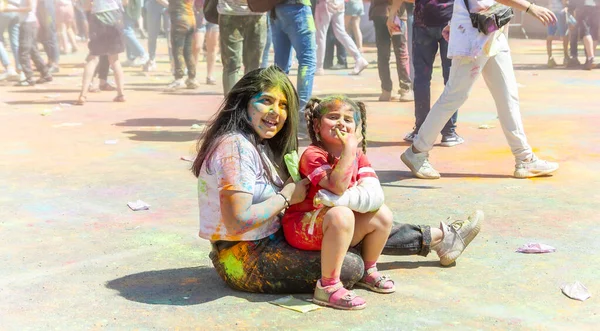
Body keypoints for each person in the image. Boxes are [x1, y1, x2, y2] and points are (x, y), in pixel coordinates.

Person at [193, 66, 483, 297]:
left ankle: (441, 238)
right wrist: (286, 197)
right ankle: (435, 240)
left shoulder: (256, 142)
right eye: (266, 100)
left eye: (283, 104)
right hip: (244, 260)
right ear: (243, 103)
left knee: (364, 220)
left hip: (271, 236)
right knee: (349, 264)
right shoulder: (234, 148)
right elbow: (237, 222)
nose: (276, 112)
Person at [400, 0, 560, 179]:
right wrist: (530, 8)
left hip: (492, 30)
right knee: (454, 96)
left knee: (507, 95)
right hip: (473, 35)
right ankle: (417, 151)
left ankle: (524, 158)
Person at [281, 95, 397, 310]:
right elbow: (337, 187)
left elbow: (374, 193)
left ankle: (368, 270)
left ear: (357, 127)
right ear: (316, 125)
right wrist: (350, 150)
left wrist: (352, 151)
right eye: (333, 117)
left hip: (334, 226)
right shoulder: (313, 154)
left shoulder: (358, 156)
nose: (341, 123)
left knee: (382, 214)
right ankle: (328, 286)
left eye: (348, 119)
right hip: (303, 228)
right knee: (341, 213)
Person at [390, 0, 463, 146]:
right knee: (451, 78)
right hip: (451, 21)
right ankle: (449, 132)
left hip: (423, 22)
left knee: (422, 78)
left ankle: (420, 129)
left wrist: (392, 13)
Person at [75, 0, 126, 104]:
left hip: (98, 18)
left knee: (92, 59)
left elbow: (87, 5)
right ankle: (121, 94)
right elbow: (125, 2)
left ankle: (83, 95)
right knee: (115, 60)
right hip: (115, 17)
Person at [271, 0, 316, 111]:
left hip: (276, 9)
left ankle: (277, 105)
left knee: (281, 64)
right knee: (307, 60)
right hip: (298, 8)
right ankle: (302, 112)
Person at [216, 0, 265, 94]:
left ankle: (249, 103)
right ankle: (232, 105)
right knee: (232, 64)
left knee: (253, 64)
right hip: (230, 13)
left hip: (257, 12)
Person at [1, 0, 53, 86]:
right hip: (29, 23)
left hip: (27, 23)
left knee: (23, 52)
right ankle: (45, 73)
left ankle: (29, 77)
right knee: (33, 51)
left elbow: (29, 8)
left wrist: (11, 10)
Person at [370, 0, 412, 102]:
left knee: (383, 54)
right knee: (401, 52)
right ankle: (405, 89)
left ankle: (386, 90)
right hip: (397, 15)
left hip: (380, 13)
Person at [314, 0, 369, 75]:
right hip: (339, 3)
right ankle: (359, 58)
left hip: (325, 3)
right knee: (341, 33)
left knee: (321, 34)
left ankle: (319, 67)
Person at [166, 0, 198, 89]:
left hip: (179, 21)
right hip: (191, 19)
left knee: (177, 51)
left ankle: (179, 79)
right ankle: (192, 78)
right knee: (188, 51)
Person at [193, 0, 219, 85]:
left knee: (213, 47)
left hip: (213, 11)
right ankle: (193, 75)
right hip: (198, 12)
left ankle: (210, 76)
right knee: (197, 46)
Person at [143, 0, 171, 72]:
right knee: (152, 34)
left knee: (171, 34)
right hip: (153, 4)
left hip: (170, 4)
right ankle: (151, 59)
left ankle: (174, 61)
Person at [0, 0, 22, 81]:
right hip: (17, 10)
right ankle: (20, 69)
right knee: (15, 42)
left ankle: (8, 67)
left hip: (4, 9)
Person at [546, 0, 569, 67]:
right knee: (564, 35)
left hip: (551, 11)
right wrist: (567, 7)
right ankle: (566, 57)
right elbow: (564, 1)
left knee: (550, 35)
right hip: (560, 11)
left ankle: (550, 58)